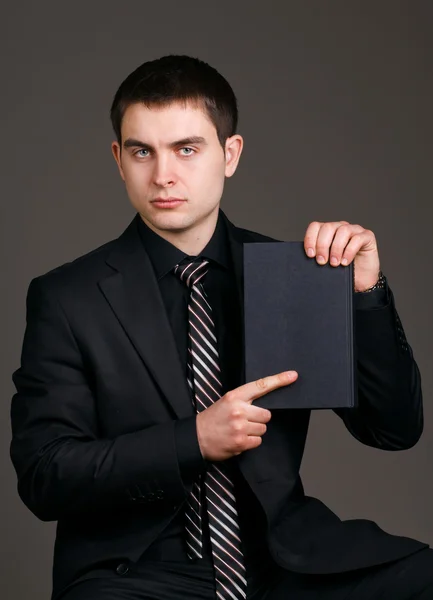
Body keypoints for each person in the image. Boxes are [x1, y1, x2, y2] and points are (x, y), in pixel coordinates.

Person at [9, 54, 433, 600]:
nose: (163, 175)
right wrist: (194, 440)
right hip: (137, 574)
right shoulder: (68, 298)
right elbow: (45, 475)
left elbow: (394, 431)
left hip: (284, 561)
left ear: (230, 155)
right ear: (118, 159)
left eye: (187, 149)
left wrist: (366, 296)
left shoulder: (294, 277)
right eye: (142, 151)